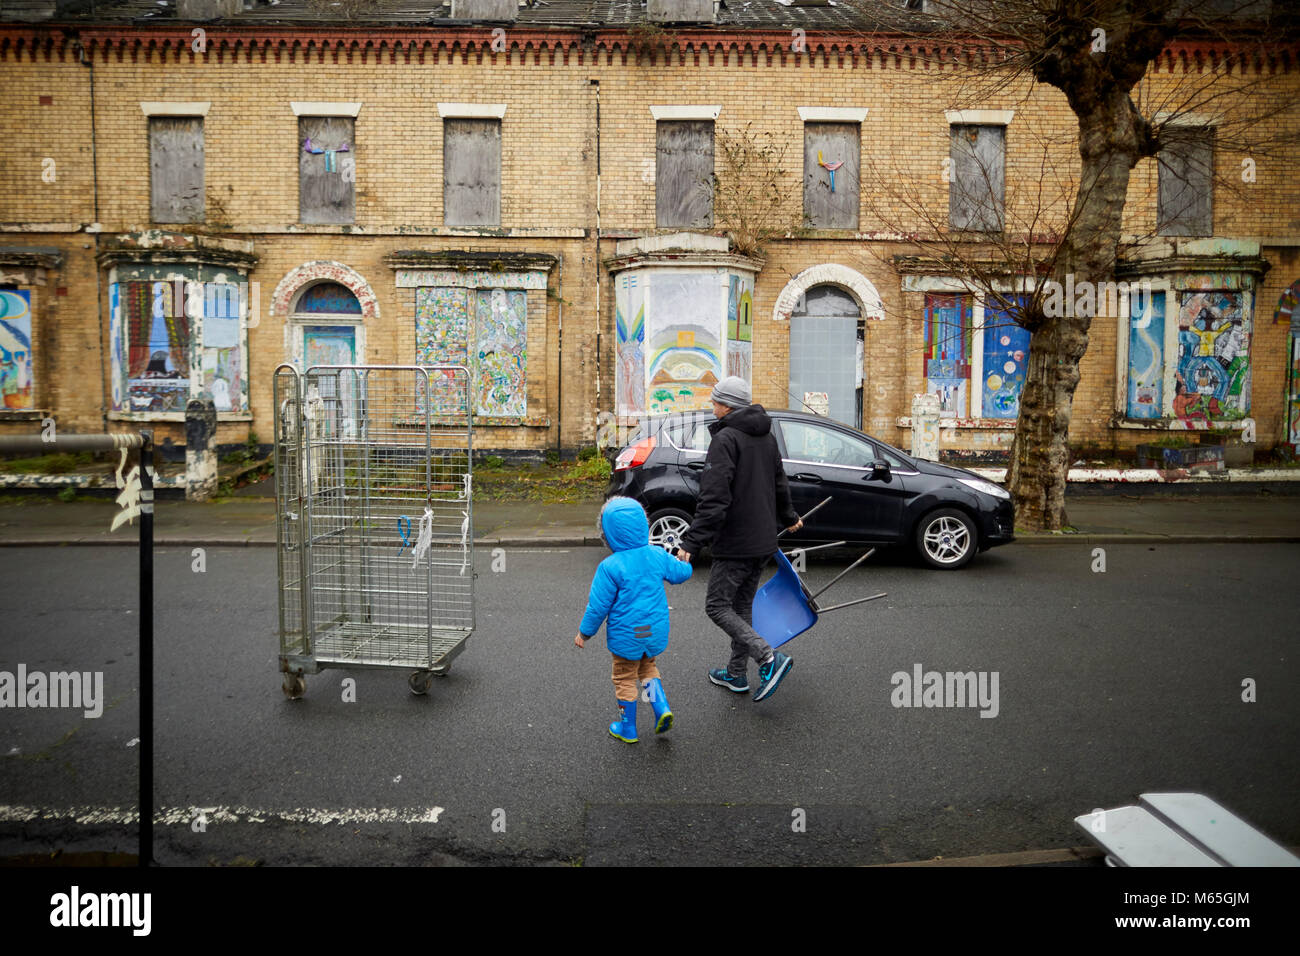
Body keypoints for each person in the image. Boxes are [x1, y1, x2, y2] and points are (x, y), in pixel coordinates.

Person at [675, 376, 803, 702]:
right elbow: (780, 484)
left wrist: (691, 542)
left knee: (716, 606)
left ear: (727, 405)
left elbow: (714, 497)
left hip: (736, 541)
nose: (711, 406)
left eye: (715, 401)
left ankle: (767, 657)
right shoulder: (766, 436)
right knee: (742, 606)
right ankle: (735, 674)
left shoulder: (727, 438)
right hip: (763, 540)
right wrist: (789, 518)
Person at [575, 496, 693, 744]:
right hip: (654, 630)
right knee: (648, 668)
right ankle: (661, 709)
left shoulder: (610, 567)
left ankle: (627, 728)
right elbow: (681, 574)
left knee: (624, 678)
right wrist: (686, 563)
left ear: (608, 534)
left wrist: (584, 633)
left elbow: (598, 607)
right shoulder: (657, 554)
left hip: (627, 635)